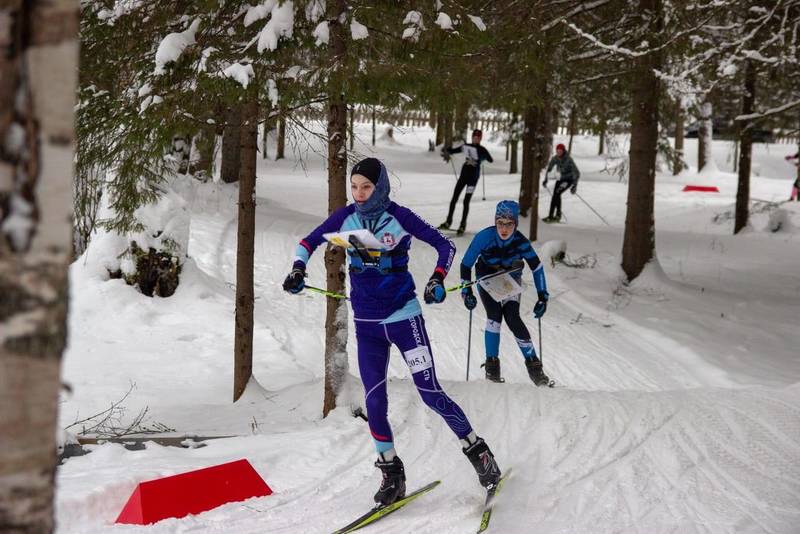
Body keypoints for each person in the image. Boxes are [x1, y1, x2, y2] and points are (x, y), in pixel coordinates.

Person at [283, 157, 502, 506]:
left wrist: (437, 279)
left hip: (404, 318)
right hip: (367, 325)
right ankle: (391, 474)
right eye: (354, 187)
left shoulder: (398, 216)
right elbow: (307, 243)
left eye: (366, 187)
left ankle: (480, 454)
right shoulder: (346, 217)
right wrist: (297, 270)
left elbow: (445, 245)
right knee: (374, 401)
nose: (359, 194)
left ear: (380, 186)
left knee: (430, 392)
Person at [459, 200, 551, 386]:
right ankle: (492, 370)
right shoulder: (484, 237)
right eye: (500, 222)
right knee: (494, 316)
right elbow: (465, 264)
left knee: (513, 317)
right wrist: (466, 291)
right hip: (486, 277)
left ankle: (535, 369)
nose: (504, 228)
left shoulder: (520, 242)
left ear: (515, 224)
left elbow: (537, 267)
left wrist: (543, 296)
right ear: (495, 222)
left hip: (510, 279)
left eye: (509, 224)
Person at [438, 129, 494, 236]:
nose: (476, 139)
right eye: (474, 137)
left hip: (473, 178)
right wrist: (448, 150)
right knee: (454, 198)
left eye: (478, 137)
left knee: (466, 201)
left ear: (480, 139)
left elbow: (490, 159)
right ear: (472, 137)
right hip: (464, 176)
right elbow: (456, 150)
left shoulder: (482, 149)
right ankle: (448, 222)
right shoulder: (467, 146)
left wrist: (480, 159)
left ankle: (462, 225)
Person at [542, 143, 580, 223]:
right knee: (555, 195)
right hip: (560, 179)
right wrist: (546, 180)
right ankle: (551, 216)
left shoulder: (568, 159)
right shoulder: (555, 158)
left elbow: (577, 173)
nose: (558, 152)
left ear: (563, 151)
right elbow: (549, 169)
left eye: (560, 151)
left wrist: (574, 186)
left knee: (557, 193)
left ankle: (558, 215)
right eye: (557, 151)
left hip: (568, 180)